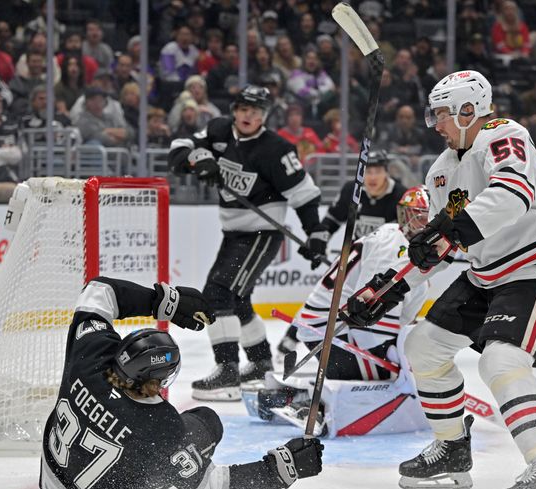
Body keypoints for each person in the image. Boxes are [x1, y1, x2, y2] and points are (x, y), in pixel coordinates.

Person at [344, 71, 536, 489]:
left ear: (470, 110)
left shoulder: (504, 134)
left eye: (443, 115)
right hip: (485, 274)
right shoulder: (440, 172)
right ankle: (452, 449)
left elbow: (513, 193)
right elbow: (438, 245)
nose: (436, 124)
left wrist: (452, 229)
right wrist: (385, 290)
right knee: (422, 347)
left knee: (501, 361)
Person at [40, 276, 323, 489]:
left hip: (51, 472)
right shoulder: (160, 428)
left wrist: (163, 301)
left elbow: (97, 290)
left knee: (167, 446)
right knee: (206, 422)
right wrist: (284, 468)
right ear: (156, 381)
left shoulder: (91, 351)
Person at [168, 85, 328, 401]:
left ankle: (227, 372)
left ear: (264, 116)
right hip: (234, 234)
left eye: (256, 111)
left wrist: (316, 235)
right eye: (243, 109)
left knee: (216, 294)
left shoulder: (277, 150)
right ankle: (259, 364)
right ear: (234, 111)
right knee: (238, 300)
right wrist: (198, 159)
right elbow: (179, 148)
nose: (248, 116)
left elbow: (304, 196)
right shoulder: (218, 131)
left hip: (261, 235)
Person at [251, 187, 433, 437]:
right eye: (414, 214)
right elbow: (368, 315)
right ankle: (294, 399)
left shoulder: (405, 245)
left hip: (331, 326)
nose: (417, 221)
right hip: (333, 329)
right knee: (390, 377)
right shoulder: (395, 246)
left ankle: (302, 395)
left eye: (424, 215)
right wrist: (396, 362)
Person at [275, 150, 408, 361]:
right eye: (367, 171)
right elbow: (333, 220)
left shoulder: (399, 195)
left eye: (377, 171)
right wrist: (319, 240)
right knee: (325, 298)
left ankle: (386, 347)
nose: (372, 177)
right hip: (354, 260)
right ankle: (291, 340)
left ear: (386, 172)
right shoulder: (352, 191)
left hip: (382, 265)